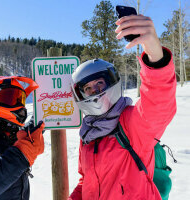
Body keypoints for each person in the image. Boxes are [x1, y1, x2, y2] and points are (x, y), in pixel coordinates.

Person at [69, 14, 176, 199]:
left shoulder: (130, 123)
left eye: (99, 84)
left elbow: (158, 105)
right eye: (88, 88)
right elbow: (87, 182)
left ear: (110, 82)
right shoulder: (87, 135)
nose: (95, 92)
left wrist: (155, 56)